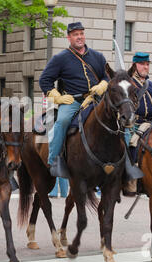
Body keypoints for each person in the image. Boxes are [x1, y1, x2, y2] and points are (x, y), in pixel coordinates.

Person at [39, 22, 109, 178]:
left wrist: (103, 85)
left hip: (96, 100)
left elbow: (107, 75)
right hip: (73, 102)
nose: (79, 37)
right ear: (69, 37)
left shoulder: (97, 57)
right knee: (62, 121)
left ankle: (123, 162)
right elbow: (44, 80)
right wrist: (58, 97)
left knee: (117, 120)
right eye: (75, 34)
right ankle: (54, 160)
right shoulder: (60, 58)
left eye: (81, 33)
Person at [124, 52, 152, 195]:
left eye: (147, 64)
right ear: (134, 65)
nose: (145, 67)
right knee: (130, 146)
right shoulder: (127, 84)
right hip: (131, 124)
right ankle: (130, 182)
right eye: (142, 64)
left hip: (149, 125)